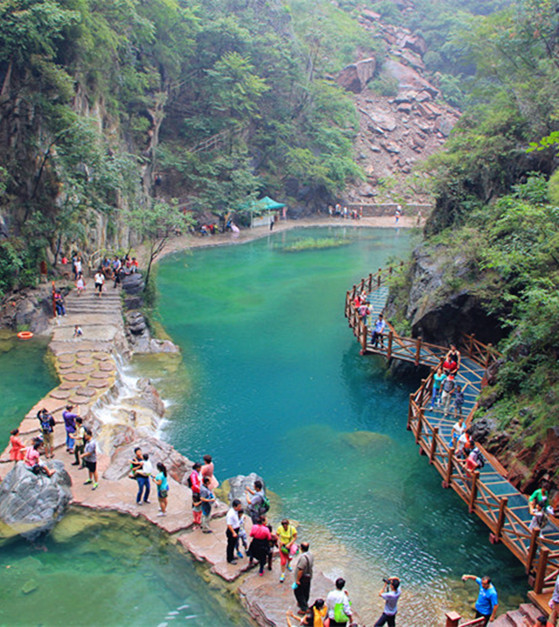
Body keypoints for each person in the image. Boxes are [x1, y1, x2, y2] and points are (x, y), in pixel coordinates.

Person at [293, 542, 313, 614]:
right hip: (308, 576)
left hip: (302, 577)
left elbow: (301, 570)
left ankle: (303, 608)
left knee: (298, 592)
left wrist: (297, 580)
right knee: (306, 591)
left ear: (301, 548)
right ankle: (305, 603)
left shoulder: (303, 558)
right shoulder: (310, 555)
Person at [276, 518, 298, 582]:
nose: (285, 526)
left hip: (290, 546)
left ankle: (288, 564)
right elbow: (277, 535)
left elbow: (295, 537)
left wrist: (290, 543)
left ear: (288, 524)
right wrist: (280, 541)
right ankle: (282, 574)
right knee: (283, 561)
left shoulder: (292, 529)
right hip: (282, 547)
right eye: (283, 525)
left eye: (286, 524)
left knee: (289, 558)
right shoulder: (280, 528)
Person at [226, 499, 244, 564]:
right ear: (235, 506)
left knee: (233, 544)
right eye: (239, 506)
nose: (240, 508)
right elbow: (229, 525)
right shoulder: (231, 514)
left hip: (236, 529)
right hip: (232, 531)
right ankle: (229, 559)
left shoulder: (236, 511)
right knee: (230, 545)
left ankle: (232, 556)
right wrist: (233, 532)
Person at [188, 462, 202, 527]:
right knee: (197, 502)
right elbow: (194, 483)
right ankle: (196, 518)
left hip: (198, 489)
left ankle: (197, 518)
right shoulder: (193, 474)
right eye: (200, 468)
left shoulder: (198, 473)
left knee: (197, 503)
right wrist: (199, 488)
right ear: (197, 468)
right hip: (196, 490)